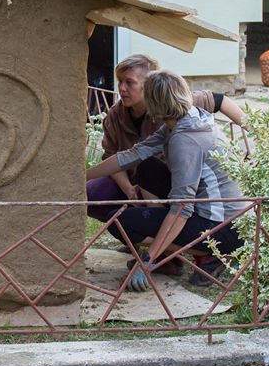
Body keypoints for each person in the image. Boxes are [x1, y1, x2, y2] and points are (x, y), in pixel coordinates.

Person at [85, 70, 248, 290]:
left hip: (225, 226)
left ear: (153, 104)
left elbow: (182, 207)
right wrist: (81, 177)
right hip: (218, 212)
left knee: (120, 223)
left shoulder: (185, 140)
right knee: (146, 168)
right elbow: (133, 154)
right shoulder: (186, 118)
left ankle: (211, 254)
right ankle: (169, 249)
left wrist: (147, 262)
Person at [87, 54, 246, 221]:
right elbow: (114, 155)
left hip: (179, 182)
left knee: (150, 180)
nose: (122, 88)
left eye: (129, 82)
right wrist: (128, 189)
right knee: (94, 192)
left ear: (148, 85)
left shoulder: (174, 105)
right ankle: (143, 226)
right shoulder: (115, 115)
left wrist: (253, 130)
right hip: (136, 180)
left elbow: (219, 100)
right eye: (119, 81)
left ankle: (158, 225)